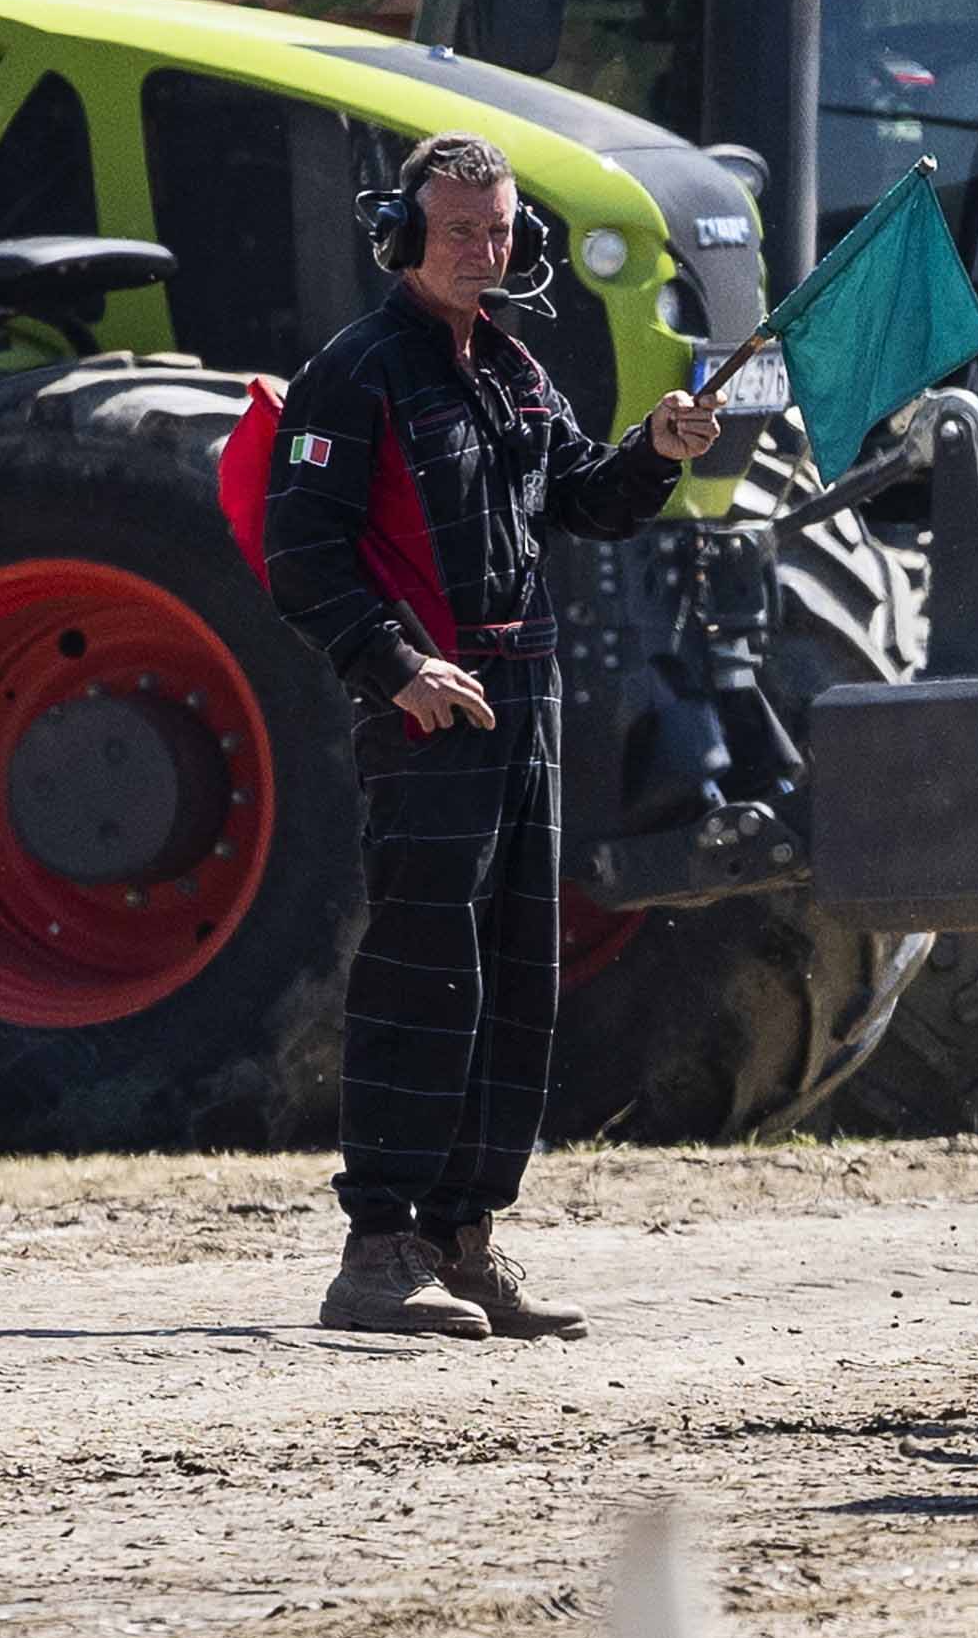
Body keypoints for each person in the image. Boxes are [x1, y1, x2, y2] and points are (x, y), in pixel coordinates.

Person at [269, 131, 720, 1339]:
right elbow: (300, 556)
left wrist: (656, 453)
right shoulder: (354, 372)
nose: (488, 249)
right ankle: (376, 1256)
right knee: (424, 970)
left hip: (528, 698)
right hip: (427, 704)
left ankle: (467, 1236)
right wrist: (397, 664)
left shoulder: (516, 369)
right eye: (461, 229)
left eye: (502, 228)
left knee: (521, 975)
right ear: (404, 236)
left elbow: (580, 496)